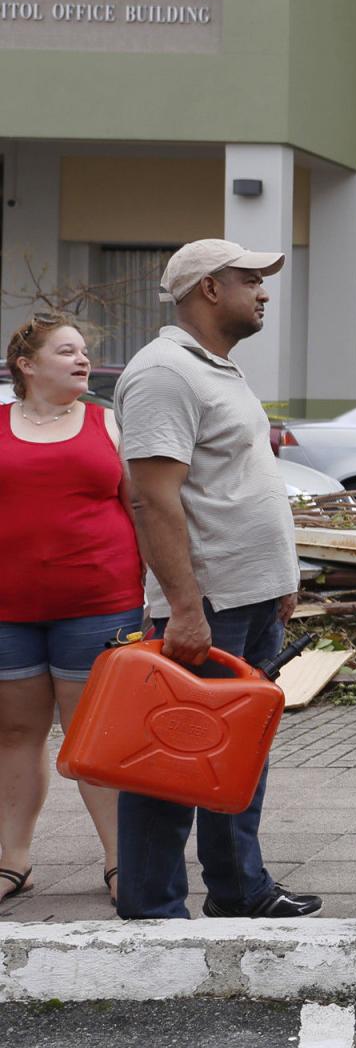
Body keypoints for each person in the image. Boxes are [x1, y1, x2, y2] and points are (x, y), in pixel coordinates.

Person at [113, 240, 317, 920]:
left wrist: (279, 577)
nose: (263, 293)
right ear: (208, 289)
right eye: (251, 280)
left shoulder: (216, 370)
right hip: (207, 607)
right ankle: (152, 911)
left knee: (240, 757)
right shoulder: (164, 373)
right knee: (172, 767)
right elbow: (150, 498)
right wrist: (184, 606)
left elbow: (234, 483)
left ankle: (240, 891)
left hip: (249, 598)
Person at [0, 315, 145, 909]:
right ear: (28, 365)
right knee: (14, 735)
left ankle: (122, 862)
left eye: (85, 351)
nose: (83, 360)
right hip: (9, 612)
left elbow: (140, 505)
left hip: (100, 604)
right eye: (67, 351)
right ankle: (12, 861)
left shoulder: (108, 423)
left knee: (97, 739)